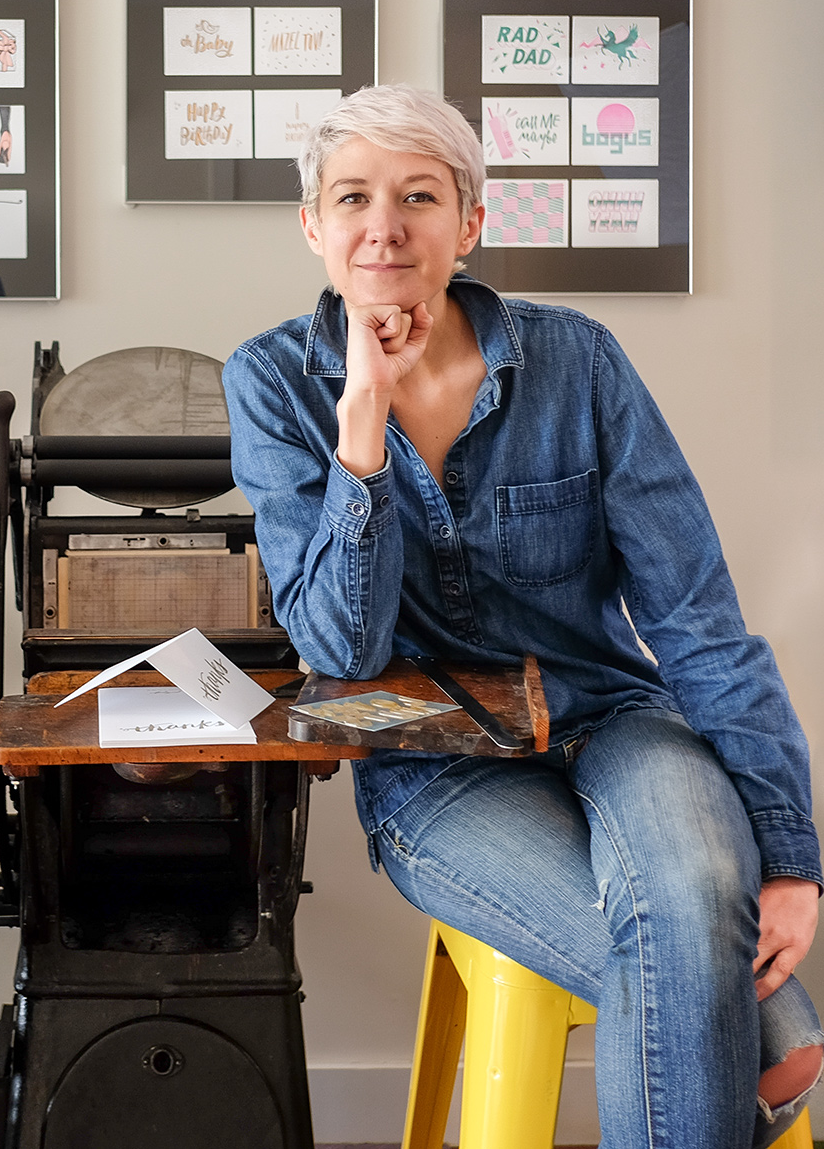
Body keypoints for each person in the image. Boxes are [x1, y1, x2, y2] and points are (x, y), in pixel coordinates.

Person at [223, 84, 823, 1148]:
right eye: (352, 196)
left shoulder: (577, 361)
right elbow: (340, 651)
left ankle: (754, 1044)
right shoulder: (274, 383)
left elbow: (694, 615)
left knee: (697, 886)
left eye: (419, 195)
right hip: (436, 770)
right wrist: (362, 422)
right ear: (314, 224)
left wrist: (788, 858)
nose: (384, 225)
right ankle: (773, 1042)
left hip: (615, 721)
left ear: (471, 222)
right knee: (683, 948)